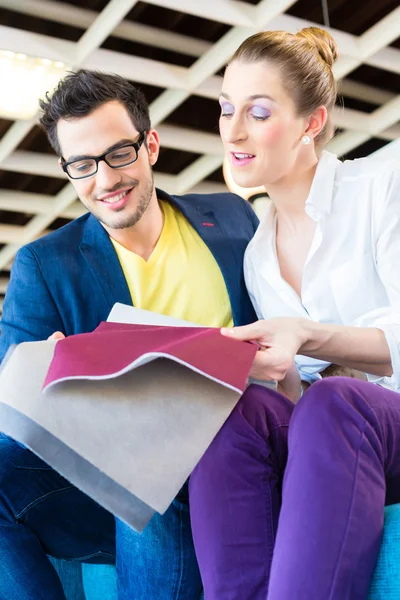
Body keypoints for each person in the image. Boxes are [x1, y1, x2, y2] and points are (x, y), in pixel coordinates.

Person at [0, 69, 260, 600]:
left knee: (154, 462)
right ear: (67, 171)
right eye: (83, 165)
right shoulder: (45, 265)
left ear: (152, 145)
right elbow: (10, 387)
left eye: (119, 153)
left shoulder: (232, 219)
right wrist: (40, 369)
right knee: (137, 463)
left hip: (235, 451)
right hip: (116, 480)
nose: (105, 179)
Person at [187, 27, 400, 600]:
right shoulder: (258, 254)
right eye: (227, 108)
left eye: (258, 112)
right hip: (345, 433)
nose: (232, 131)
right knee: (237, 409)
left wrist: (307, 334)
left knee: (338, 401)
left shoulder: (383, 182)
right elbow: (300, 406)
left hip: (387, 420)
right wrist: (267, 369)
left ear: (311, 122)